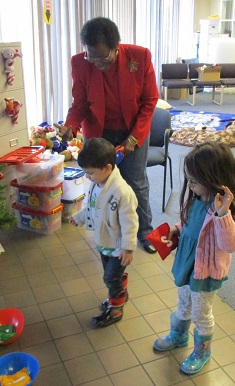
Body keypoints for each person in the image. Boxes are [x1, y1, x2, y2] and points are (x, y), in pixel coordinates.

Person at [55, 17, 159, 253]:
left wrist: (134, 137)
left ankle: (145, 233)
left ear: (116, 47)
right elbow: (79, 103)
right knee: (100, 182)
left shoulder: (139, 57)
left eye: (104, 57)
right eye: (92, 57)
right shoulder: (80, 63)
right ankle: (110, 230)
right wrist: (70, 124)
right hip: (99, 132)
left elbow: (150, 100)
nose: (97, 63)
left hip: (133, 130)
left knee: (136, 182)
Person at [153, 142, 235, 375]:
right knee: (183, 303)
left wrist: (223, 214)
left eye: (193, 181)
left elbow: (231, 243)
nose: (190, 185)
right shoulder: (197, 198)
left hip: (206, 271)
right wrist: (177, 228)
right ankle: (178, 335)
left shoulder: (222, 208)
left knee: (201, 313)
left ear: (213, 178)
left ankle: (202, 351)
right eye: (189, 180)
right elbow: (191, 223)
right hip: (188, 263)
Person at [70, 138, 138, 328]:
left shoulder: (122, 192)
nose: (88, 177)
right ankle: (120, 287)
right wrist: (80, 217)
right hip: (103, 243)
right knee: (112, 276)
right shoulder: (97, 184)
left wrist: (128, 247)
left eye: (90, 173)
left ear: (108, 168)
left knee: (109, 278)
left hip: (118, 247)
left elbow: (130, 223)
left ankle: (116, 308)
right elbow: (93, 207)